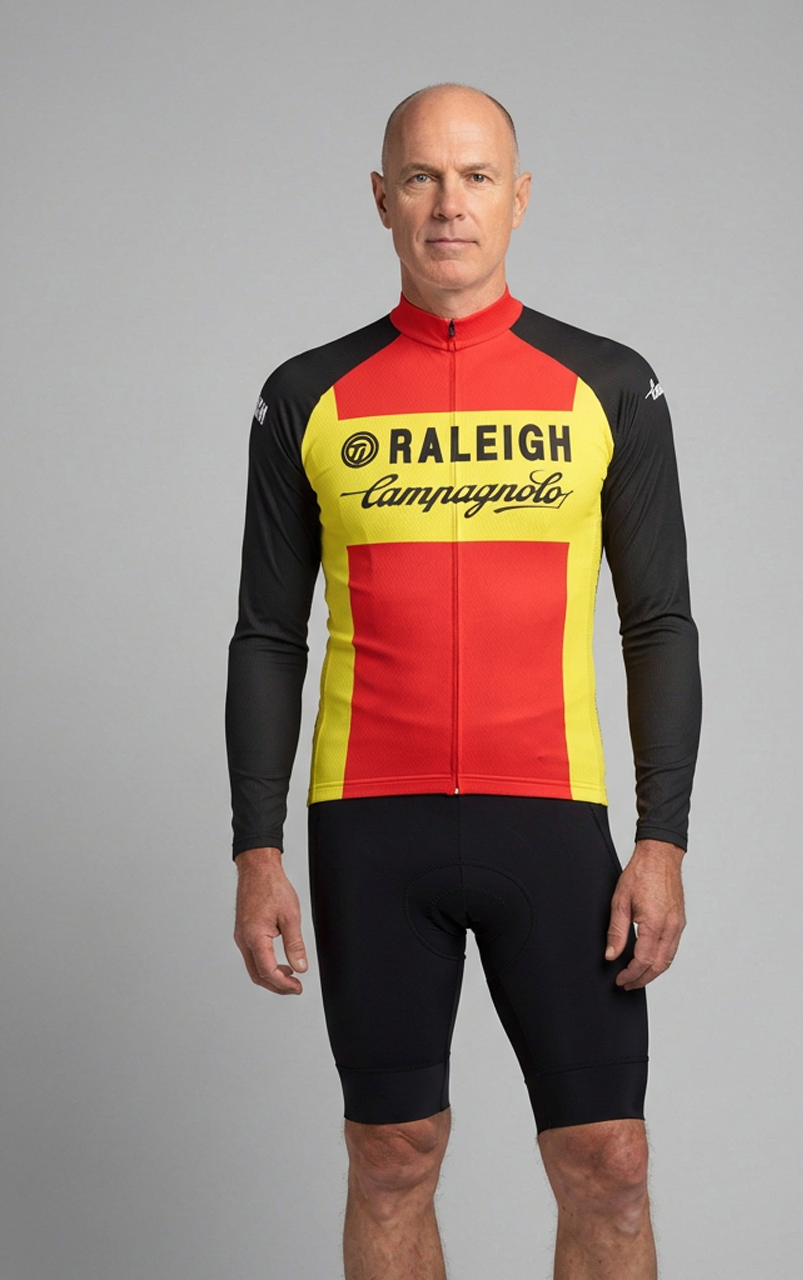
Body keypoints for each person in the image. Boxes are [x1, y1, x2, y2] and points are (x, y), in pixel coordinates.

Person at [227, 83, 700, 1280]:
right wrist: (256, 848)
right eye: (422, 177)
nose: (449, 203)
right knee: (391, 1156)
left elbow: (656, 622)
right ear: (380, 198)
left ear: (517, 197)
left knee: (609, 1160)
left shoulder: (606, 384)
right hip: (367, 823)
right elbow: (267, 635)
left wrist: (661, 840)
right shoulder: (306, 393)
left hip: (548, 812)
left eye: (476, 175)